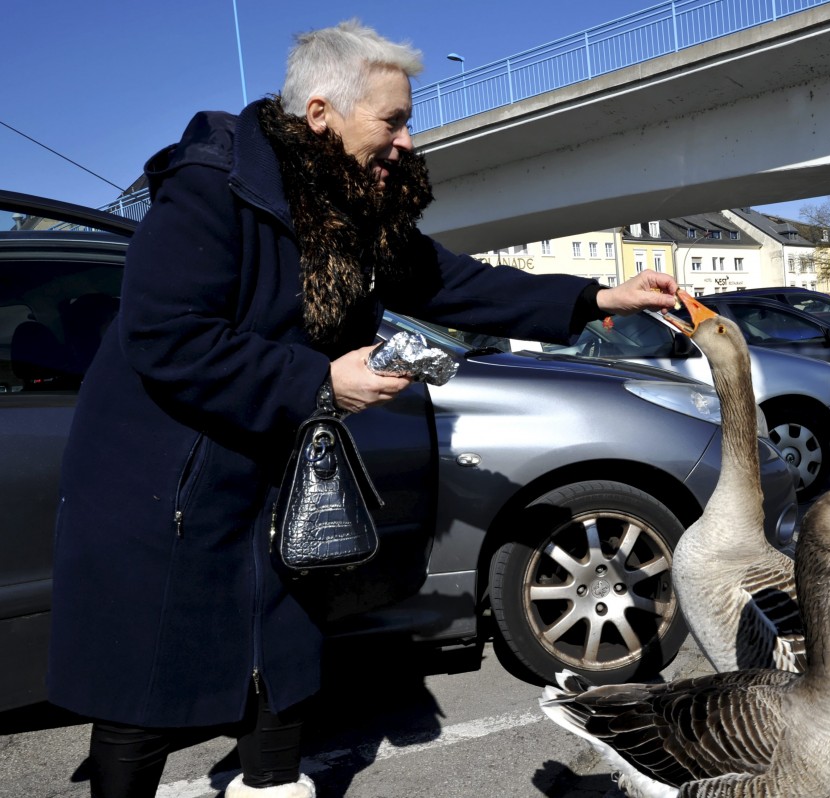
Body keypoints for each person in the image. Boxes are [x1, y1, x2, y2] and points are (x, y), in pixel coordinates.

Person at [46, 19, 678, 798]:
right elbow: (166, 336)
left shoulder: (349, 204)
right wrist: (320, 381)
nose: (407, 141)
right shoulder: (211, 191)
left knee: (281, 671)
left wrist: (596, 297)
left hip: (272, 481)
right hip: (165, 486)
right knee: (144, 696)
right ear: (322, 113)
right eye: (394, 119)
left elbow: (450, 283)